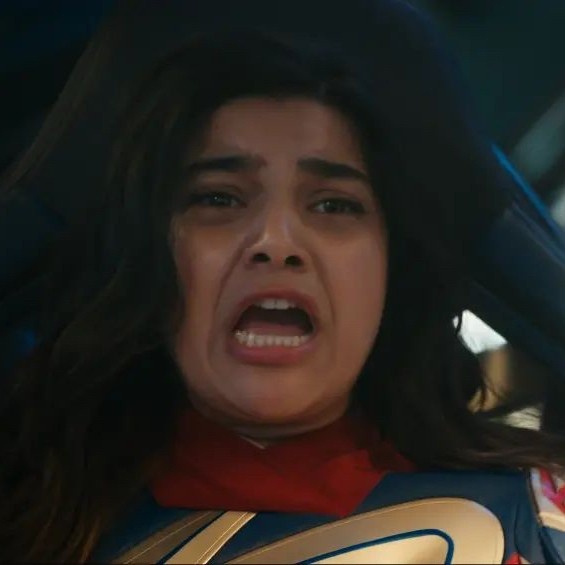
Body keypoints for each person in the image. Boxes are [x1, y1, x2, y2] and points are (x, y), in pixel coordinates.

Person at [1, 3, 564, 563]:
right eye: (219, 198)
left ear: (391, 271)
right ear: (154, 260)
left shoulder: (535, 527)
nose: (276, 240)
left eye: (333, 204)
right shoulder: (35, 526)